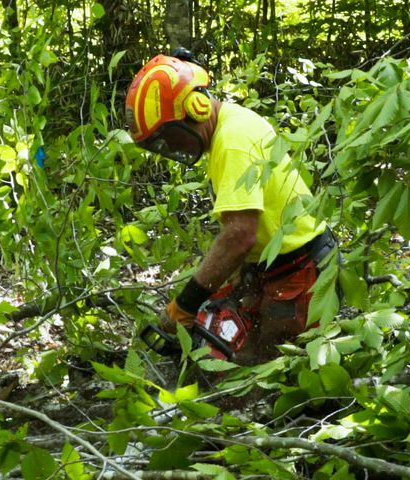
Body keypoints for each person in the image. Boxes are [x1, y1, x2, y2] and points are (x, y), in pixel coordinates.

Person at [125, 51, 338, 364]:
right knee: (217, 332)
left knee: (259, 367)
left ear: (195, 108)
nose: (172, 147)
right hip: (272, 267)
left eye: (170, 137)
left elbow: (239, 235)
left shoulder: (233, 140)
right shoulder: (227, 130)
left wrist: (186, 302)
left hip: (300, 272)